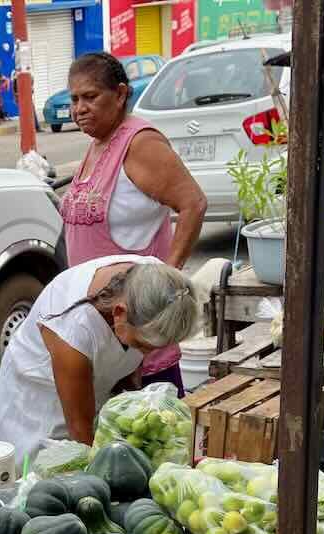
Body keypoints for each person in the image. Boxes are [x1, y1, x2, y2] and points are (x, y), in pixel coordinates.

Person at [58, 52, 208, 394]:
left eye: (91, 97)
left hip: (137, 333)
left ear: (121, 94)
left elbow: (193, 204)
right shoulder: (98, 144)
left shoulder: (139, 143)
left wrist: (164, 283)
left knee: (152, 435)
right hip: (101, 331)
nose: (80, 108)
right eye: (75, 98)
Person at [0, 256, 198, 464]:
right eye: (142, 346)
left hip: (91, 380)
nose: (146, 355)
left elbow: (127, 367)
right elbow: (80, 430)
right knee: (48, 468)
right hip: (40, 397)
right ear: (119, 313)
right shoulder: (74, 328)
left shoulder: (163, 288)